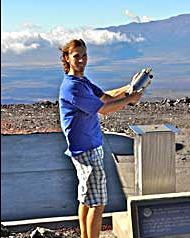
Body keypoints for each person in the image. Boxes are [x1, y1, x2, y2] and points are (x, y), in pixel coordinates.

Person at [58, 39, 142, 238]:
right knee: (98, 202)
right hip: (86, 149)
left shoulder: (82, 82)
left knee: (86, 199)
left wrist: (130, 88)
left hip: (86, 147)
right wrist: (130, 99)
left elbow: (105, 97)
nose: (82, 60)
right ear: (67, 59)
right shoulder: (72, 87)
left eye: (84, 55)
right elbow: (104, 109)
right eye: (76, 56)